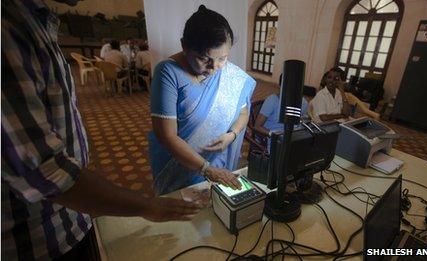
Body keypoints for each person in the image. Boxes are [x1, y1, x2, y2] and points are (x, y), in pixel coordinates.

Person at [2, 0, 201, 260]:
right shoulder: (9, 26)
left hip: (74, 220)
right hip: (39, 242)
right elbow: (43, 170)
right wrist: (147, 205)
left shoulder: (35, 21)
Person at [149, 5, 256, 195]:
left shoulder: (229, 75)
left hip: (218, 163)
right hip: (180, 167)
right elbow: (167, 135)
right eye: (203, 58)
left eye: (222, 58)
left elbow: (243, 111)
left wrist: (232, 134)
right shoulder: (168, 73)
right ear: (184, 46)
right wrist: (206, 169)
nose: (214, 67)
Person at [254, 81, 312, 150]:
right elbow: (257, 126)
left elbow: (306, 119)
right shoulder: (272, 101)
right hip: (276, 139)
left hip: (294, 137)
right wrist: (273, 134)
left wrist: (305, 119)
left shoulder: (303, 102)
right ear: (281, 86)